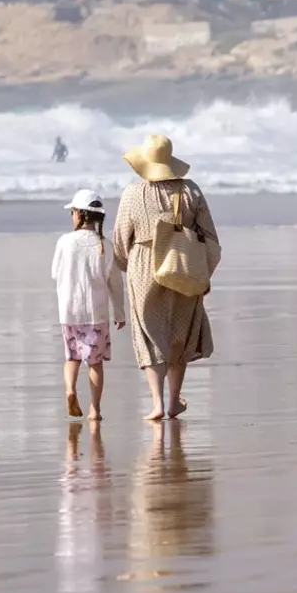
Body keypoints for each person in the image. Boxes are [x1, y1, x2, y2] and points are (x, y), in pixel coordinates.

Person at [113, 134, 222, 424]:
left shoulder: (132, 193)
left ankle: (157, 403)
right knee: (178, 334)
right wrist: (203, 273)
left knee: (149, 335)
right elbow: (211, 239)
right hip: (183, 264)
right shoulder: (190, 190)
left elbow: (121, 240)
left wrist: (129, 265)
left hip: (143, 265)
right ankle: (174, 401)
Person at [52, 189, 126, 423]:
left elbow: (55, 273)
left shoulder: (65, 242)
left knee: (72, 358)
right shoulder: (105, 245)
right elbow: (115, 282)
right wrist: (120, 311)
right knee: (95, 363)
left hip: (69, 311)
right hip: (96, 312)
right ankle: (95, 410)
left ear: (78, 214)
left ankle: (70, 390)